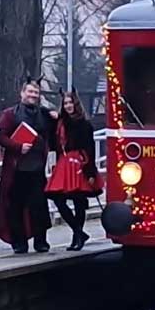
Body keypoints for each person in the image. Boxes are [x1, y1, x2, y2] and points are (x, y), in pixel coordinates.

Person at [0, 79, 56, 253]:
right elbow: (0, 136)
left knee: (39, 206)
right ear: (22, 93)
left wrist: (55, 116)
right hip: (16, 169)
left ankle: (40, 241)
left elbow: (56, 131)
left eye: (36, 93)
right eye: (30, 92)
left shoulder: (44, 114)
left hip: (37, 168)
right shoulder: (10, 114)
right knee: (16, 207)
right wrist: (18, 146)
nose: (33, 95)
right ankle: (19, 243)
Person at [46, 89, 100, 250]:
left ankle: (77, 238)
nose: (68, 106)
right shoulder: (60, 123)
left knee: (79, 201)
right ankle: (78, 232)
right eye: (65, 103)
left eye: (70, 103)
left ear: (76, 104)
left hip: (79, 163)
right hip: (64, 162)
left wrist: (90, 171)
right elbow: (53, 142)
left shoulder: (84, 124)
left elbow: (90, 148)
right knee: (58, 198)